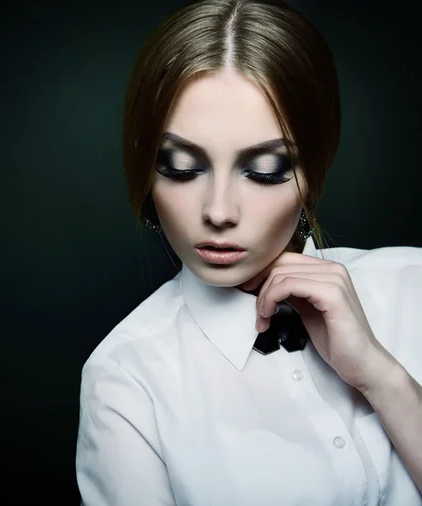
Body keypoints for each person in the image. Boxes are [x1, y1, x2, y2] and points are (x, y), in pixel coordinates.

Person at [75, 0, 422, 504]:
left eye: (264, 169)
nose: (218, 210)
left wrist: (381, 377)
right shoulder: (126, 378)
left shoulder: (413, 284)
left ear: (314, 172)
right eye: (180, 166)